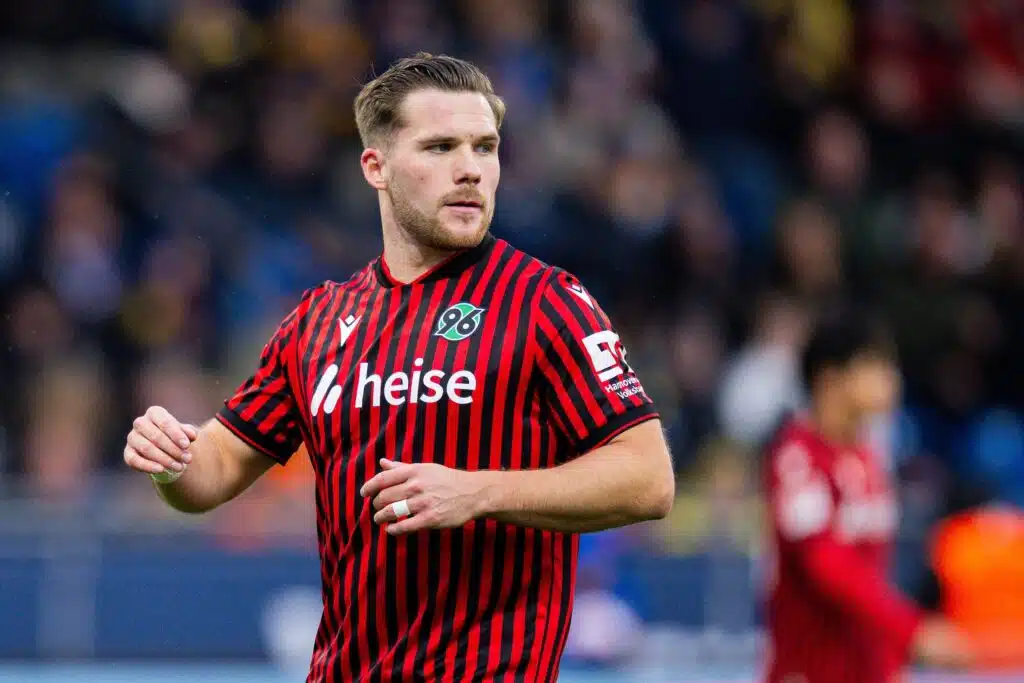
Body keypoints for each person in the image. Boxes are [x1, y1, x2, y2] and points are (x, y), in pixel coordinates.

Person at [122, 53, 675, 683]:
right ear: (376, 167)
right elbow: (215, 469)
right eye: (440, 147)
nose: (470, 169)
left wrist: (479, 493)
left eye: (485, 147)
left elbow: (647, 479)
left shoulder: (545, 303)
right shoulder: (319, 321)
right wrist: (172, 460)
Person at [762, 311, 975, 683]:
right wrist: (911, 630)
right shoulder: (796, 457)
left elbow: (871, 580)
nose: (891, 380)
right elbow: (826, 565)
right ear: (830, 378)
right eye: (875, 366)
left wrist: (889, 664)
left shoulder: (868, 459)